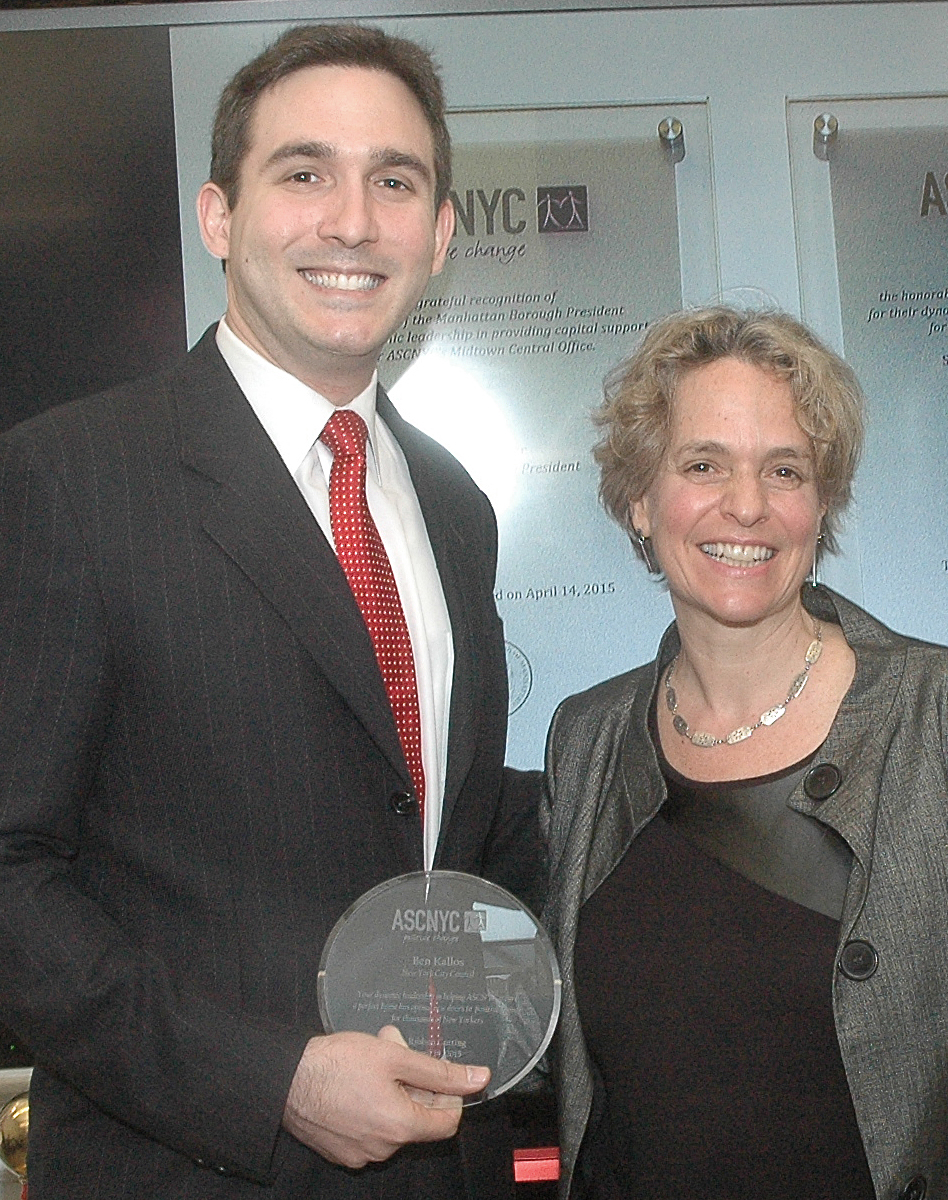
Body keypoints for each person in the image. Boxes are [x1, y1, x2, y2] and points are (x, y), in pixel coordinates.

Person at [0, 24, 537, 1197]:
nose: (352, 220)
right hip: (194, 1162)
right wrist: (269, 1078)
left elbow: (447, 838)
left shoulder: (455, 505)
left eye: (394, 181)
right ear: (220, 217)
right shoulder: (68, 479)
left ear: (441, 235)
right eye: (304, 173)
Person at [541, 306, 948, 1200]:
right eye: (703, 465)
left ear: (822, 504)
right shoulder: (587, 738)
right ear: (639, 499)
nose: (748, 506)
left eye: (785, 470)